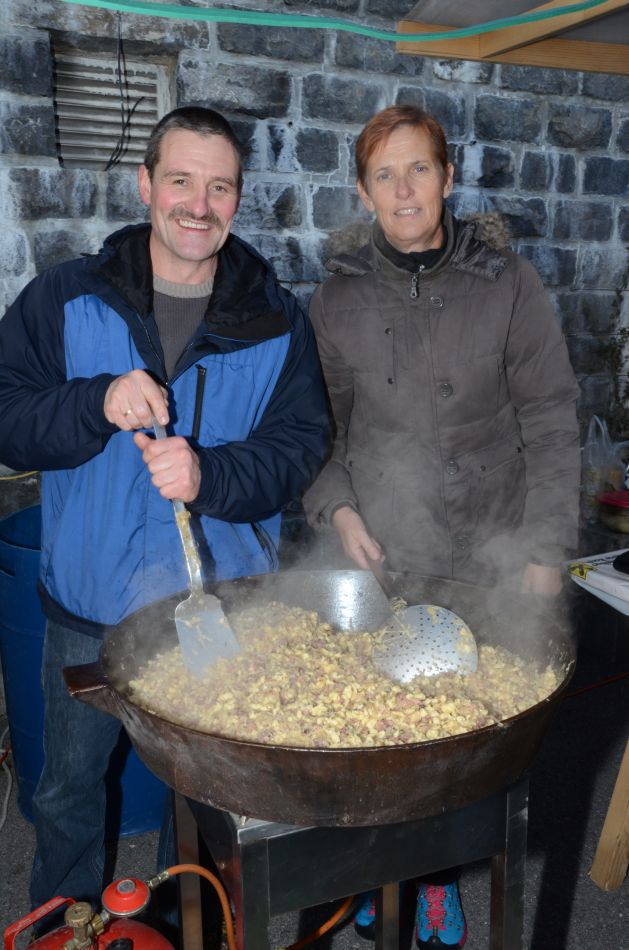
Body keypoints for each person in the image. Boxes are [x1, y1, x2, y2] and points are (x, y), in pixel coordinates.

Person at [0, 106, 330, 916]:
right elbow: (7, 418)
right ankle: (67, 924)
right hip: (89, 605)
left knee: (205, 795)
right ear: (146, 185)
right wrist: (92, 401)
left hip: (220, 605)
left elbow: (299, 448)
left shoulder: (276, 319)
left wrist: (211, 474)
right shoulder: (66, 297)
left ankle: (186, 924)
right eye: (181, 180)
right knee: (68, 788)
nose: (199, 205)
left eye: (220, 187)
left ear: (239, 197)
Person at [303, 105, 580, 947]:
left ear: (448, 178)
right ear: (362, 191)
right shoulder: (336, 300)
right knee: (374, 730)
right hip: (386, 549)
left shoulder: (508, 283)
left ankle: (434, 880)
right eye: (383, 175)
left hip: (490, 547)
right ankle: (368, 871)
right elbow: (317, 429)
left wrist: (543, 550)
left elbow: (551, 418)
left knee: (466, 737)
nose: (403, 190)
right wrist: (338, 508)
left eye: (418, 169)